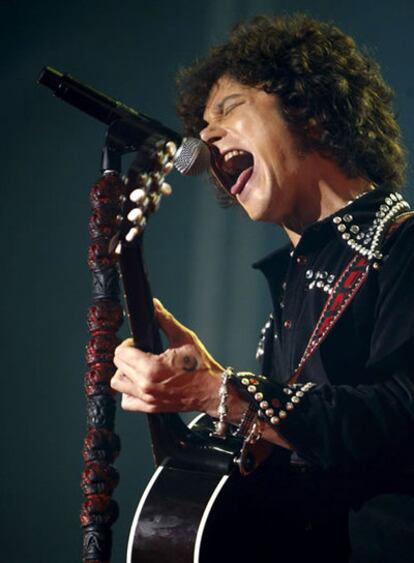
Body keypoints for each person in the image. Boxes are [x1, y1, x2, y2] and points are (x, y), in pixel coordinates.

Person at [110, 14, 414, 562]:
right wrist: (207, 388)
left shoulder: (405, 248)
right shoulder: (290, 297)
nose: (203, 138)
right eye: (202, 126)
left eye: (228, 110)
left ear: (313, 112)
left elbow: (400, 415)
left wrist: (220, 392)